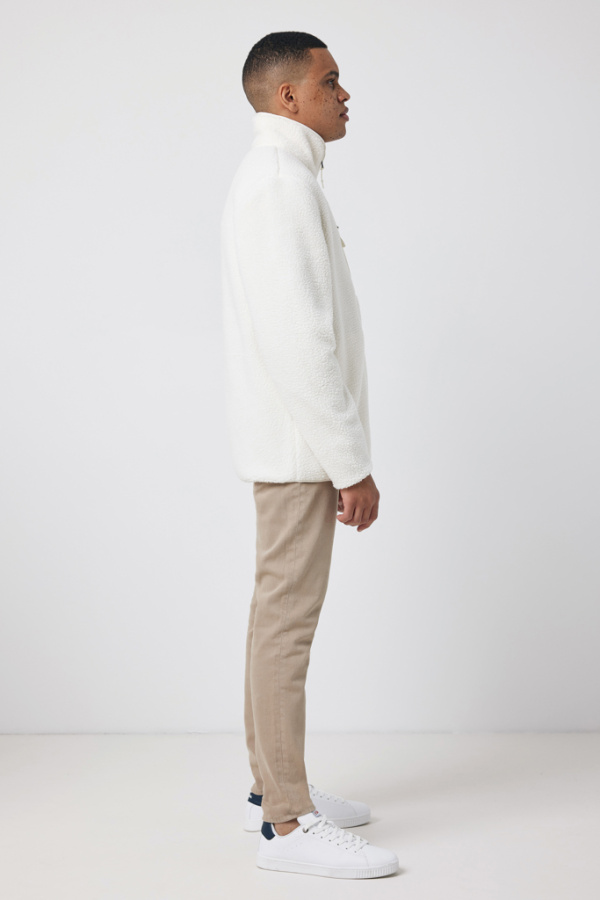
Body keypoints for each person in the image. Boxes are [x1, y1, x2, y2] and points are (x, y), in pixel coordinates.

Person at [220, 31, 399, 879]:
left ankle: (273, 788)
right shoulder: (279, 185)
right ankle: (287, 828)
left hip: (295, 444)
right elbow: (299, 342)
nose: (345, 92)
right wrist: (350, 461)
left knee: (274, 621)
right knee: (285, 629)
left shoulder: (284, 178)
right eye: (330, 80)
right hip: (300, 450)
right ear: (287, 96)